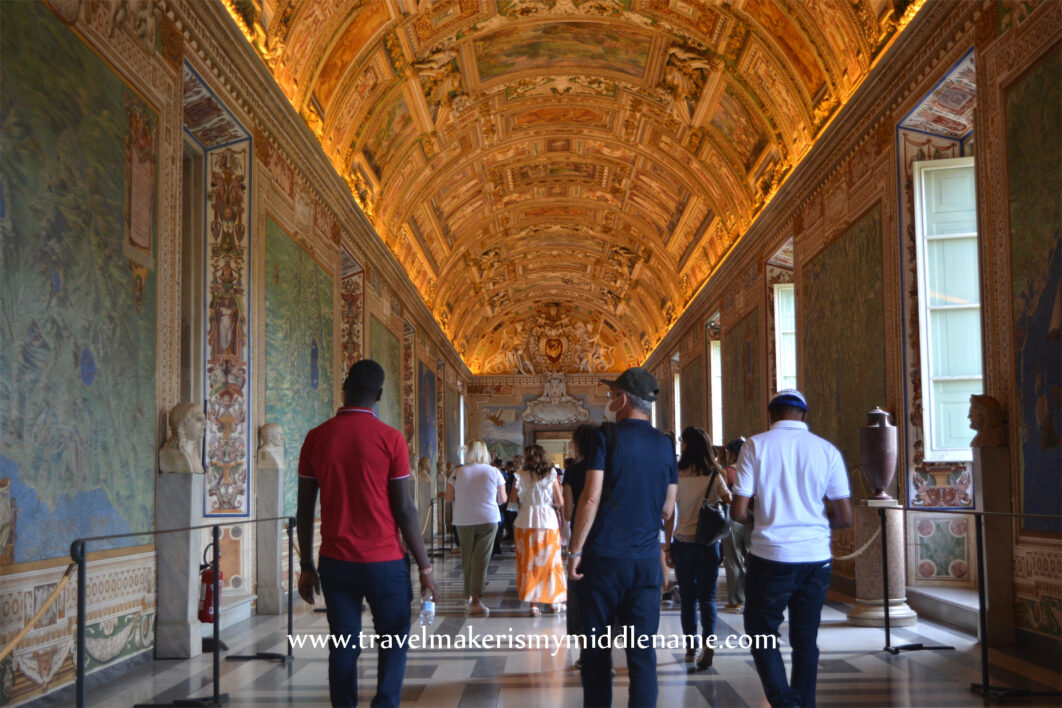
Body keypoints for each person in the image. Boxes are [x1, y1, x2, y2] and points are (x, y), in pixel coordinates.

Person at [296, 359, 438, 707]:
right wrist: (425, 568)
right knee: (393, 641)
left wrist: (306, 566)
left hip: (336, 562)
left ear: (344, 389)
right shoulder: (391, 439)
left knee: (343, 644)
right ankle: (385, 703)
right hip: (386, 562)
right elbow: (404, 510)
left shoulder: (316, 438)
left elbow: (304, 510)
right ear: (378, 394)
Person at [730, 389, 854, 708]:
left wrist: (765, 518)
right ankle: (804, 703)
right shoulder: (826, 450)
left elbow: (738, 512)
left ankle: (785, 701)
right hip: (816, 560)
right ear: (804, 416)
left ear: (771, 416)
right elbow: (844, 516)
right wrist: (811, 519)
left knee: (761, 632)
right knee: (805, 640)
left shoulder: (755, 445)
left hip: (771, 557)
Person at [567, 367, 678, 707]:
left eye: (612, 394)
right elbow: (668, 508)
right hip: (644, 563)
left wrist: (574, 551)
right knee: (642, 655)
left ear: (623, 399)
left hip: (604, 561)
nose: (610, 401)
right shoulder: (665, 444)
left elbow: (590, 496)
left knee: (597, 653)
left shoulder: (606, 436)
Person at [663, 426, 729, 668]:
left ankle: (691, 647)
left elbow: (669, 514)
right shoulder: (715, 475)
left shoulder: (676, 475)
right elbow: (729, 503)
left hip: (683, 542)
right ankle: (708, 644)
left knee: (688, 599)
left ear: (687, 445)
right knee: (708, 597)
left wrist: (668, 547)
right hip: (709, 544)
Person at [446, 440, 507, 615]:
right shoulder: (494, 472)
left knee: (467, 558)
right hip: (488, 519)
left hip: (463, 519)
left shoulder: (457, 472)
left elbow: (449, 498)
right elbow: (502, 499)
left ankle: (469, 596)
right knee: (480, 560)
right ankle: (475, 599)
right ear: (485, 453)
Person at [513, 444, 567, 615]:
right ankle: (552, 602)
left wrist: (526, 502)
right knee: (551, 562)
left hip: (525, 521)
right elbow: (559, 501)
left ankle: (533, 605)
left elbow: (511, 500)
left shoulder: (519, 476)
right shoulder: (551, 475)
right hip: (547, 522)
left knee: (528, 563)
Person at [563, 424, 599, 670]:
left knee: (584, 598)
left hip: (581, 538)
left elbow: (567, 513)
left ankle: (587, 654)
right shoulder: (607, 468)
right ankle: (604, 652)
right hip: (607, 537)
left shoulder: (573, 472)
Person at [722, 437, 751, 612]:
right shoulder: (753, 470)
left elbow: (721, 496)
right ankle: (753, 595)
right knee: (751, 559)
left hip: (733, 519)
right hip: (752, 518)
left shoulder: (727, 472)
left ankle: (735, 600)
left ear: (732, 453)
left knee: (733, 560)